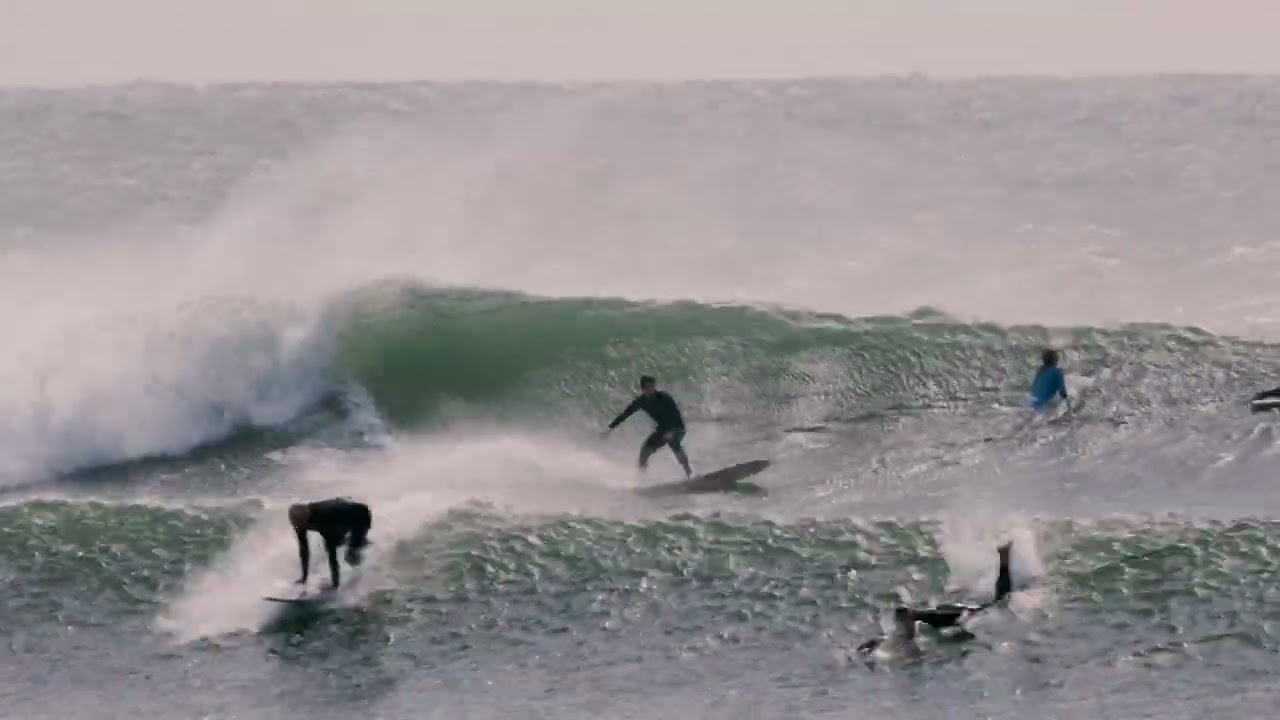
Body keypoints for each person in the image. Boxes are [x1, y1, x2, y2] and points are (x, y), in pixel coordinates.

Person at [857, 542, 1014, 658]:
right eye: (905, 623)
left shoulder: (923, 623)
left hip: (948, 614)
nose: (909, 627)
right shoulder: (900, 637)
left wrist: (967, 616)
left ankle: (1004, 560)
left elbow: (943, 619)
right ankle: (1002, 561)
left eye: (908, 621)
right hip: (945, 619)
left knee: (997, 602)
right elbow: (876, 641)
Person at [606, 375, 693, 478]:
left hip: (677, 428)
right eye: (648, 387)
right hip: (662, 430)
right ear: (643, 389)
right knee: (644, 451)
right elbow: (625, 414)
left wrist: (671, 431)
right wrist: (610, 428)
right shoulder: (641, 401)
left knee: (673, 442)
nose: (651, 389)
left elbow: (675, 415)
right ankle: (643, 478)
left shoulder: (664, 397)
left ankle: (688, 472)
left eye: (652, 386)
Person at [288, 497, 372, 590]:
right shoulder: (299, 521)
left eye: (300, 523)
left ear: (306, 517)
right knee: (337, 541)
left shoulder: (323, 521)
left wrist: (334, 585)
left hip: (361, 516)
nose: (297, 527)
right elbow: (304, 549)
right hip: (341, 515)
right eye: (295, 523)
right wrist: (304, 577)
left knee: (350, 556)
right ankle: (360, 542)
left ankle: (361, 575)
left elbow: (332, 556)